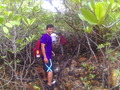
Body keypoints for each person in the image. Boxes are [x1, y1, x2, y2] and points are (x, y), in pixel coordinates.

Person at [41, 24, 55, 90]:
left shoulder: (49, 36)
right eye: (49, 29)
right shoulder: (45, 36)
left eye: (52, 29)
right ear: (46, 29)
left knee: (45, 67)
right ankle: (49, 84)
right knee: (50, 70)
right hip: (47, 56)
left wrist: (51, 51)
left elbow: (48, 46)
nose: (51, 30)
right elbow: (42, 47)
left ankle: (45, 78)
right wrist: (45, 57)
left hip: (48, 54)